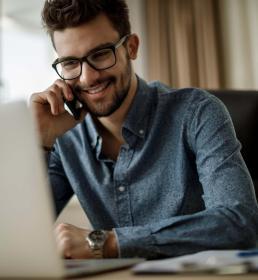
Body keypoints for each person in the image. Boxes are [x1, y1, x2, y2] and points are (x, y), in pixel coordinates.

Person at [30, 0, 258, 260]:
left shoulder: (197, 112)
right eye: (71, 63)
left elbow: (239, 223)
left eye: (101, 54)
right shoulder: (65, 140)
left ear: (131, 47)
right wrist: (41, 143)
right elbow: (15, 234)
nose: (87, 78)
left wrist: (109, 243)